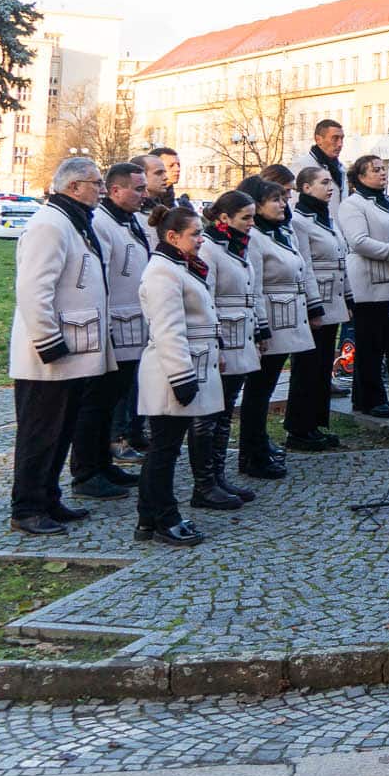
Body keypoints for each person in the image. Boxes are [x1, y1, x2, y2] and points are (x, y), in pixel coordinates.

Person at [6, 158, 114, 536]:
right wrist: (48, 341)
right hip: (48, 354)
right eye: (96, 183)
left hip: (71, 350)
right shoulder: (50, 225)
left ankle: (48, 498)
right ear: (73, 187)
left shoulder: (72, 221)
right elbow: (35, 290)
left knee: (61, 431)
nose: (101, 189)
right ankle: (28, 507)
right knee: (39, 434)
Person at [132, 202, 220, 546]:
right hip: (171, 372)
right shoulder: (162, 273)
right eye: (195, 234)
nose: (202, 239)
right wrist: (183, 379)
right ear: (172, 236)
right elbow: (169, 330)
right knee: (164, 451)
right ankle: (163, 518)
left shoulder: (178, 267)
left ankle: (149, 517)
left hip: (186, 366)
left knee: (164, 449)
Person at [70, 162, 150, 501]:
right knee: (97, 402)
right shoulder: (102, 223)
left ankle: (102, 464)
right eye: (138, 188)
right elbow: (99, 277)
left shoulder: (129, 220)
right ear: (116, 190)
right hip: (113, 325)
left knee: (111, 399)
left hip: (132, 323)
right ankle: (86, 471)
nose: (144, 194)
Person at [238, 175, 319, 478]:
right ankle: (252, 453)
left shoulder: (282, 231)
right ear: (257, 206)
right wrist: (261, 328)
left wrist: (313, 305)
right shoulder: (255, 237)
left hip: (288, 319)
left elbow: (301, 269)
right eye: (276, 199)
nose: (284, 204)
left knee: (267, 388)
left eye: (284, 198)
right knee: (258, 391)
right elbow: (254, 285)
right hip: (270, 320)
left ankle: (260, 444)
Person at [198, 190, 264, 510]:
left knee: (225, 414)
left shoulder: (238, 244)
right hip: (223, 338)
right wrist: (217, 345)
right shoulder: (210, 248)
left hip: (241, 336)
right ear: (224, 218)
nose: (252, 223)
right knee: (213, 414)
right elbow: (205, 299)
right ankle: (206, 483)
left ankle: (218, 476)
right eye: (246, 217)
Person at [285, 166, 348, 449]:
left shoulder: (327, 218)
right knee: (307, 367)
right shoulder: (300, 221)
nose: (330, 187)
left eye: (331, 182)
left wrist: (349, 297)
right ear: (306, 188)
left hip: (333, 300)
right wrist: (313, 307)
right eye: (324, 182)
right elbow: (305, 266)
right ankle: (299, 428)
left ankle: (317, 424)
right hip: (316, 302)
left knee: (323, 366)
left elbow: (340, 259)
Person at [340, 154, 389, 419]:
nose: (382, 173)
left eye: (383, 169)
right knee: (369, 344)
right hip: (367, 281)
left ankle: (367, 395)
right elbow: (358, 241)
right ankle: (370, 397)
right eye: (375, 170)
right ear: (360, 176)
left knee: (383, 342)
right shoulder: (353, 204)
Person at [302, 119, 347, 200]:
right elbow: (294, 204)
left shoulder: (341, 169)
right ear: (318, 139)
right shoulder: (303, 166)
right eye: (335, 138)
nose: (340, 144)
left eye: (342, 138)